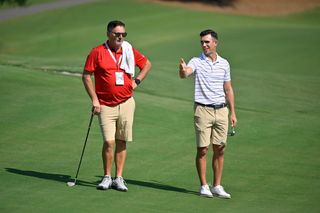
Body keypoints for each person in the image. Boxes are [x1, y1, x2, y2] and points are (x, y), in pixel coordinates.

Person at [82, 20, 151, 192]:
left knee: (122, 141)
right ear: (108, 34)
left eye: (123, 34)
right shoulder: (97, 52)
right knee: (109, 141)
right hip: (105, 104)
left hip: (127, 102)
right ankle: (106, 176)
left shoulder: (128, 49)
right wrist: (94, 100)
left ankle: (118, 178)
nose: (120, 37)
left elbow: (147, 64)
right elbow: (86, 76)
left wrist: (137, 81)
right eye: (117, 34)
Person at [179, 29, 237, 199]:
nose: (204, 45)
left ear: (215, 43)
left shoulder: (224, 64)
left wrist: (233, 112)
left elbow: (228, 89)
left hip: (221, 110)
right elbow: (186, 73)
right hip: (202, 110)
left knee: (220, 149)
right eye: (202, 42)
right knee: (203, 149)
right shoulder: (196, 61)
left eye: (207, 42)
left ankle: (217, 186)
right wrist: (182, 70)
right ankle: (204, 185)